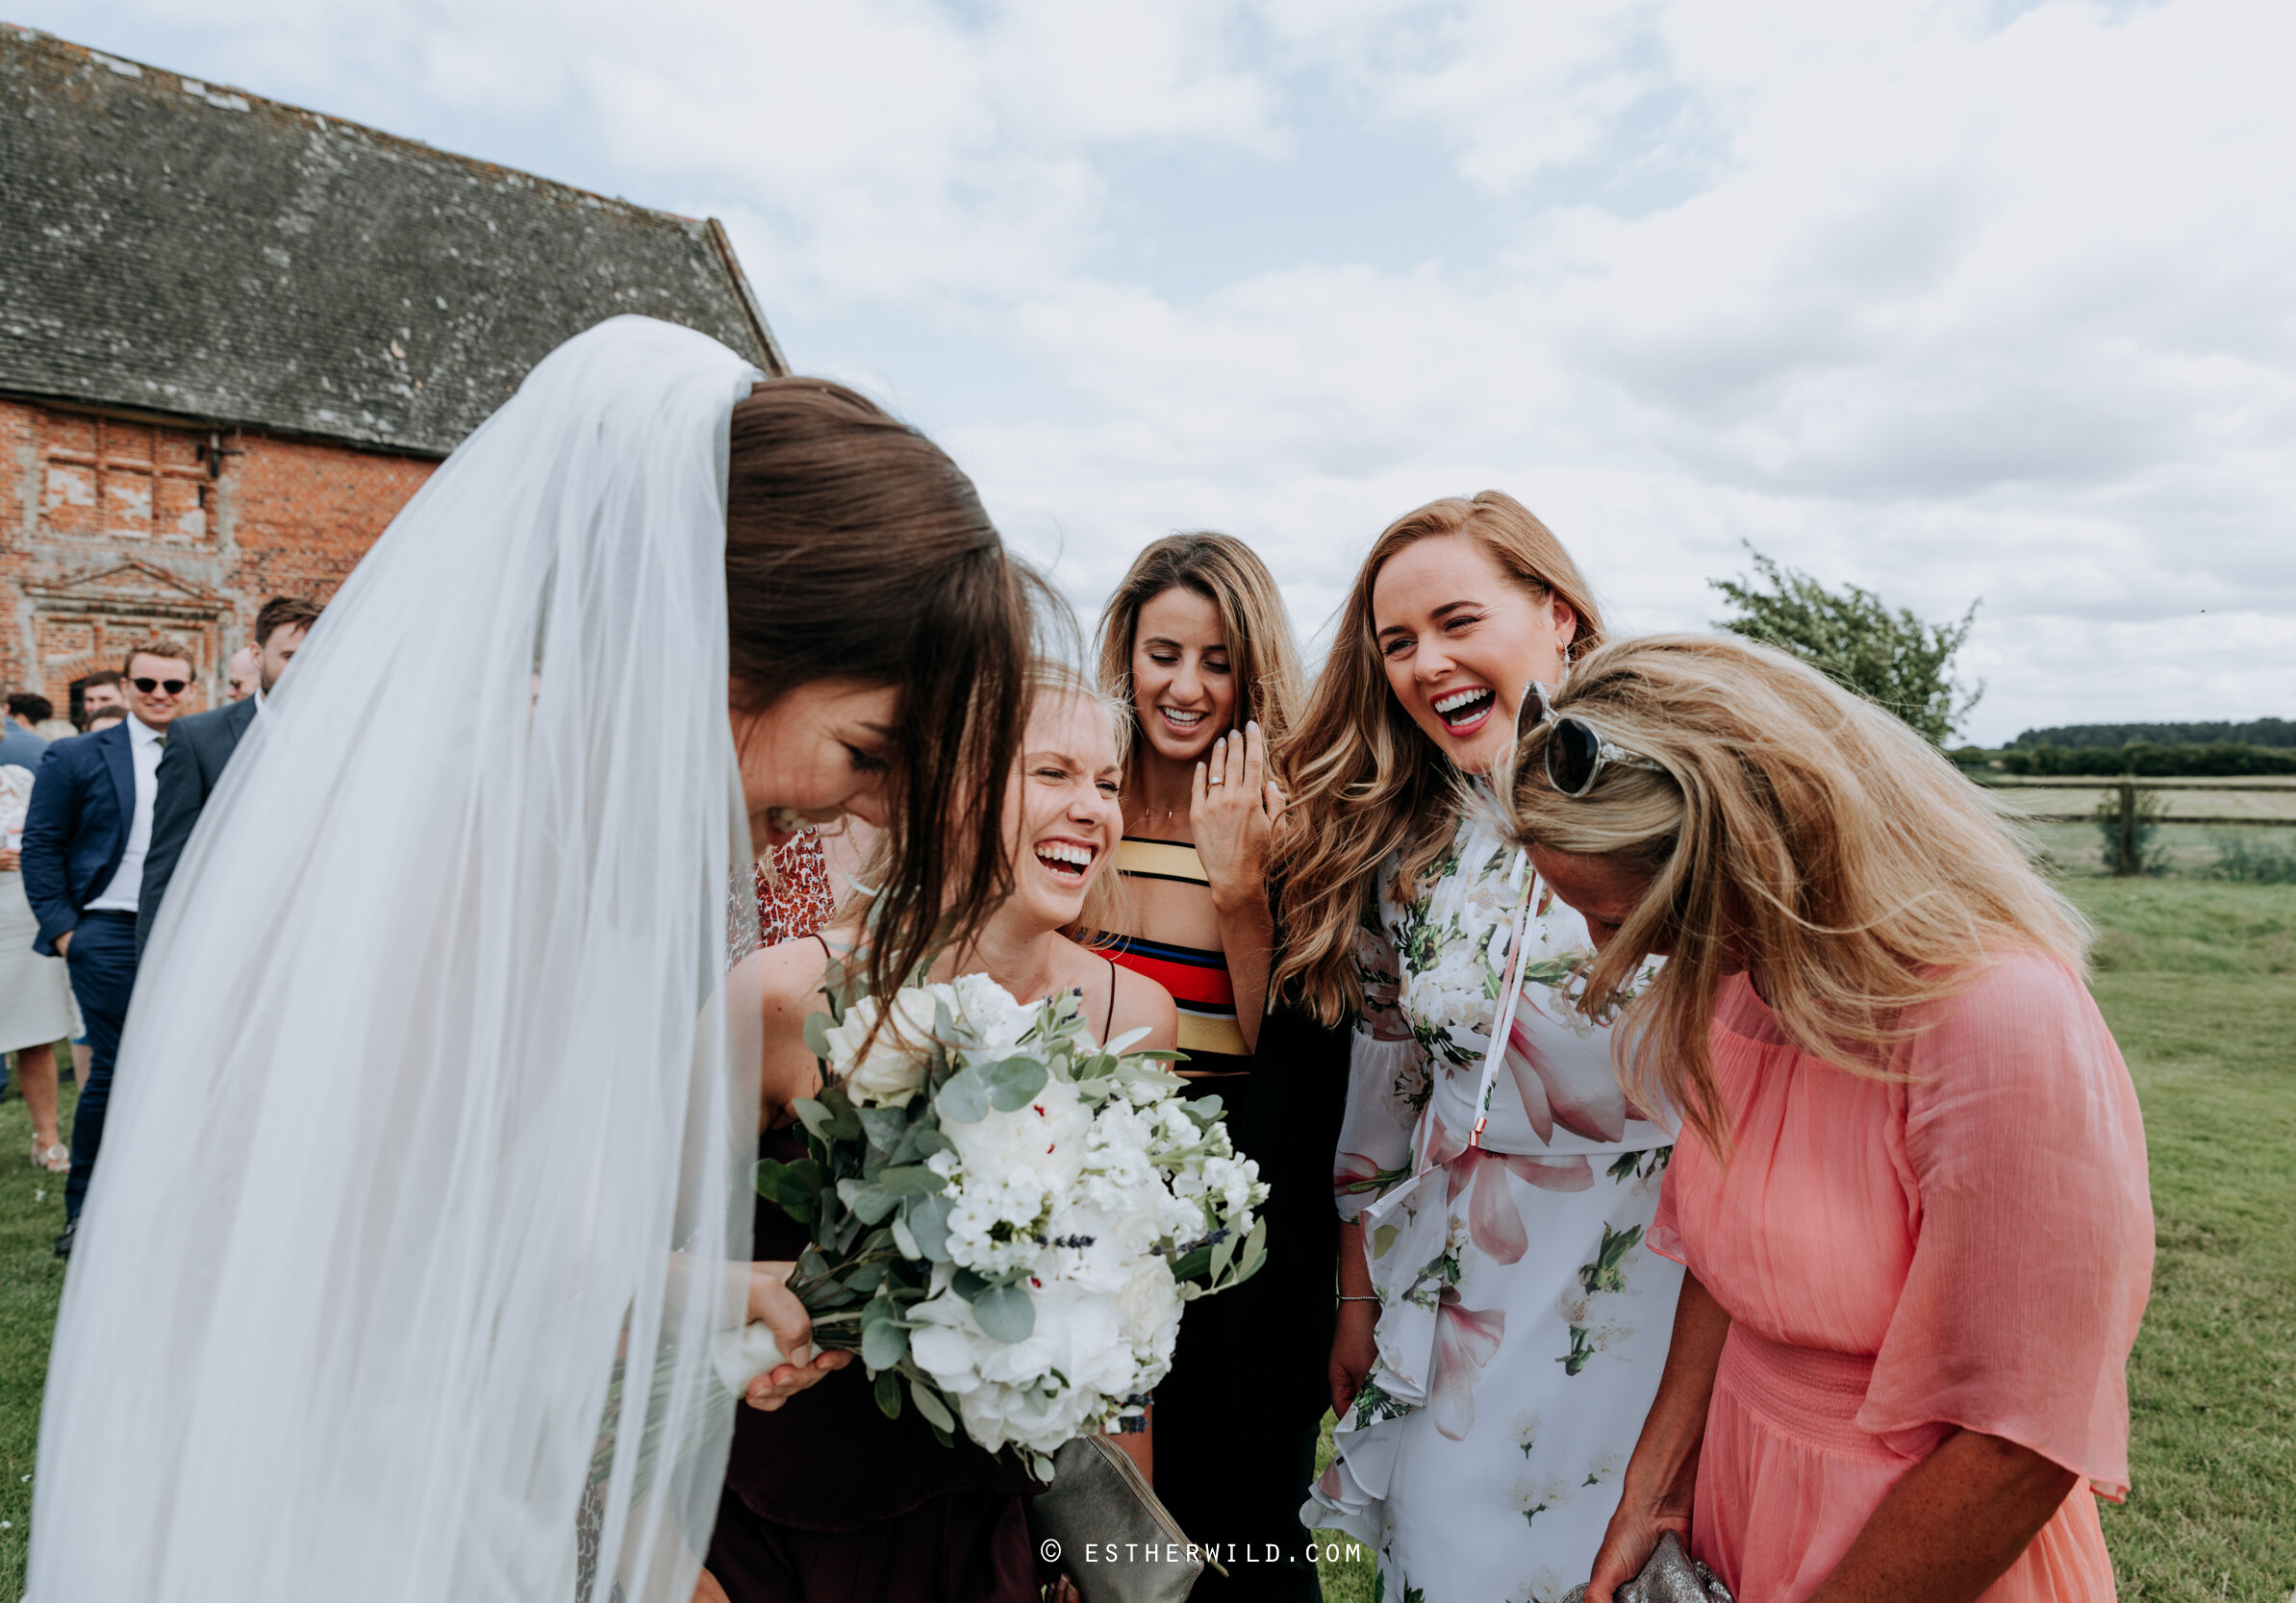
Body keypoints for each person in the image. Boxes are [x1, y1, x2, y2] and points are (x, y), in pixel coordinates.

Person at [31, 316, 1042, 1603]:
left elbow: (449, 1244)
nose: (871, 809)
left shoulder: (562, 860)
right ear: (719, 651)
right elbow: (310, 1349)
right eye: (867, 748)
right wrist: (627, 1563)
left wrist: (706, 1292)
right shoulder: (452, 878)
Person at [1488, 633, 2155, 1603]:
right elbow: (1729, 1273)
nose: (1616, 951)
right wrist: (1657, 1489)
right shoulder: (1746, 982)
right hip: (1743, 1497)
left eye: (1630, 915)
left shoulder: (1998, 1018)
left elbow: (2018, 1444)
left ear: (1744, 857)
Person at [1274, 493, 1681, 1603]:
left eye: (1457, 621)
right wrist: (1356, 1297)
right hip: (1460, 1303)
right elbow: (1384, 1094)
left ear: (1559, 614)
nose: (1424, 663)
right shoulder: (1408, 852)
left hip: (1658, 1292)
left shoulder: (1679, 814)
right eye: (1396, 641)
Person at [707, 667, 1174, 1603]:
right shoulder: (784, 993)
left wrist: (1112, 1531)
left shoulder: (1134, 1016)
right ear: (954, 790)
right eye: (1053, 773)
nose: (1091, 808)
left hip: (986, 1525)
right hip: (768, 1519)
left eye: (1108, 782)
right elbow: (648, 1263)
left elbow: (1123, 1299)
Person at [1082, 533, 1347, 1598]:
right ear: (1125, 651)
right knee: (1083, 1514)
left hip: (1228, 1206)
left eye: (1217, 660)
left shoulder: (1292, 806)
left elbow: (1294, 1055)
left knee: (1229, 1521)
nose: (1184, 687)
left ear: (1251, 671)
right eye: (1162, 653)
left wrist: (1242, 889)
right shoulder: (1079, 791)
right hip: (1079, 1181)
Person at [20, 639, 194, 1256]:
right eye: (146, 684)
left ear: (189, 690)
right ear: (124, 688)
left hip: (188, 932)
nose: (159, 696)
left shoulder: (210, 748)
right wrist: (68, 931)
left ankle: (168, 1204)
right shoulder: (75, 755)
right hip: (108, 930)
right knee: (117, 1069)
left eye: (173, 686)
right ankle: (86, 1212)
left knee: (184, 1071)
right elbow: (41, 845)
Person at [136, 596, 323, 957]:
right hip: (222, 941)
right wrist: (153, 965)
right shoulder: (198, 738)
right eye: (290, 657)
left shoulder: (356, 736)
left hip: (317, 940)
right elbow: (167, 862)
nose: (306, 671)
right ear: (257, 654)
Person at [0, 712, 76, 1171]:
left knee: (36, 1034)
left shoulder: (18, 778)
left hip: (23, 917)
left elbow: (51, 838)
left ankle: (47, 1139)